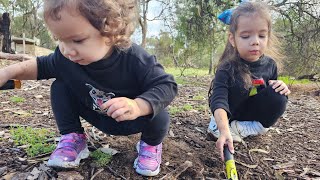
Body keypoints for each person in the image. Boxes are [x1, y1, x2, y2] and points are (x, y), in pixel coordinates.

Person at [0, 0, 177, 177]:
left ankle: (150, 145)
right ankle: (73, 137)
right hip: (97, 114)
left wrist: (138, 106)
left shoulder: (134, 58)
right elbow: (41, 66)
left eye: (77, 40)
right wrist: (7, 73)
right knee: (60, 86)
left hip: (134, 119)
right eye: (60, 40)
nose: (68, 50)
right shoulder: (65, 57)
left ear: (111, 30)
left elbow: (166, 85)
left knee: (158, 112)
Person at [207, 2, 290, 161]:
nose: (255, 41)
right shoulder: (226, 68)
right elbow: (219, 101)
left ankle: (244, 128)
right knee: (237, 90)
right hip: (228, 113)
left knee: (279, 96)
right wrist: (224, 130)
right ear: (233, 39)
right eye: (246, 36)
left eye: (262, 35)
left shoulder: (270, 65)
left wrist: (281, 87)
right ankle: (219, 127)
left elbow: (268, 94)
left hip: (251, 112)